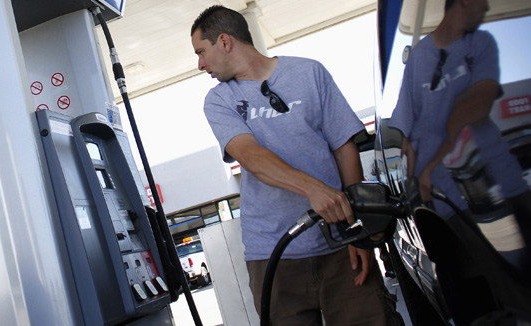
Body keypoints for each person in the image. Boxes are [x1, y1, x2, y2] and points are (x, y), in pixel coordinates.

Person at [191, 6, 403, 325]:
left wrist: (356, 230)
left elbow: (344, 147)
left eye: (201, 52)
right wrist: (315, 191)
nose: (200, 64)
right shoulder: (218, 100)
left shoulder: (309, 73)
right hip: (272, 256)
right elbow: (250, 156)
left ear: (224, 41)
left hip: (339, 246)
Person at [389, 0, 531, 244]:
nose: (486, 7)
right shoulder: (418, 59)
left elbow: (478, 104)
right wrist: (416, 178)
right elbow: (406, 130)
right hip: (444, 196)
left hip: (500, 179)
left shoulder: (482, 43)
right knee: (473, 267)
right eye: (482, 2)